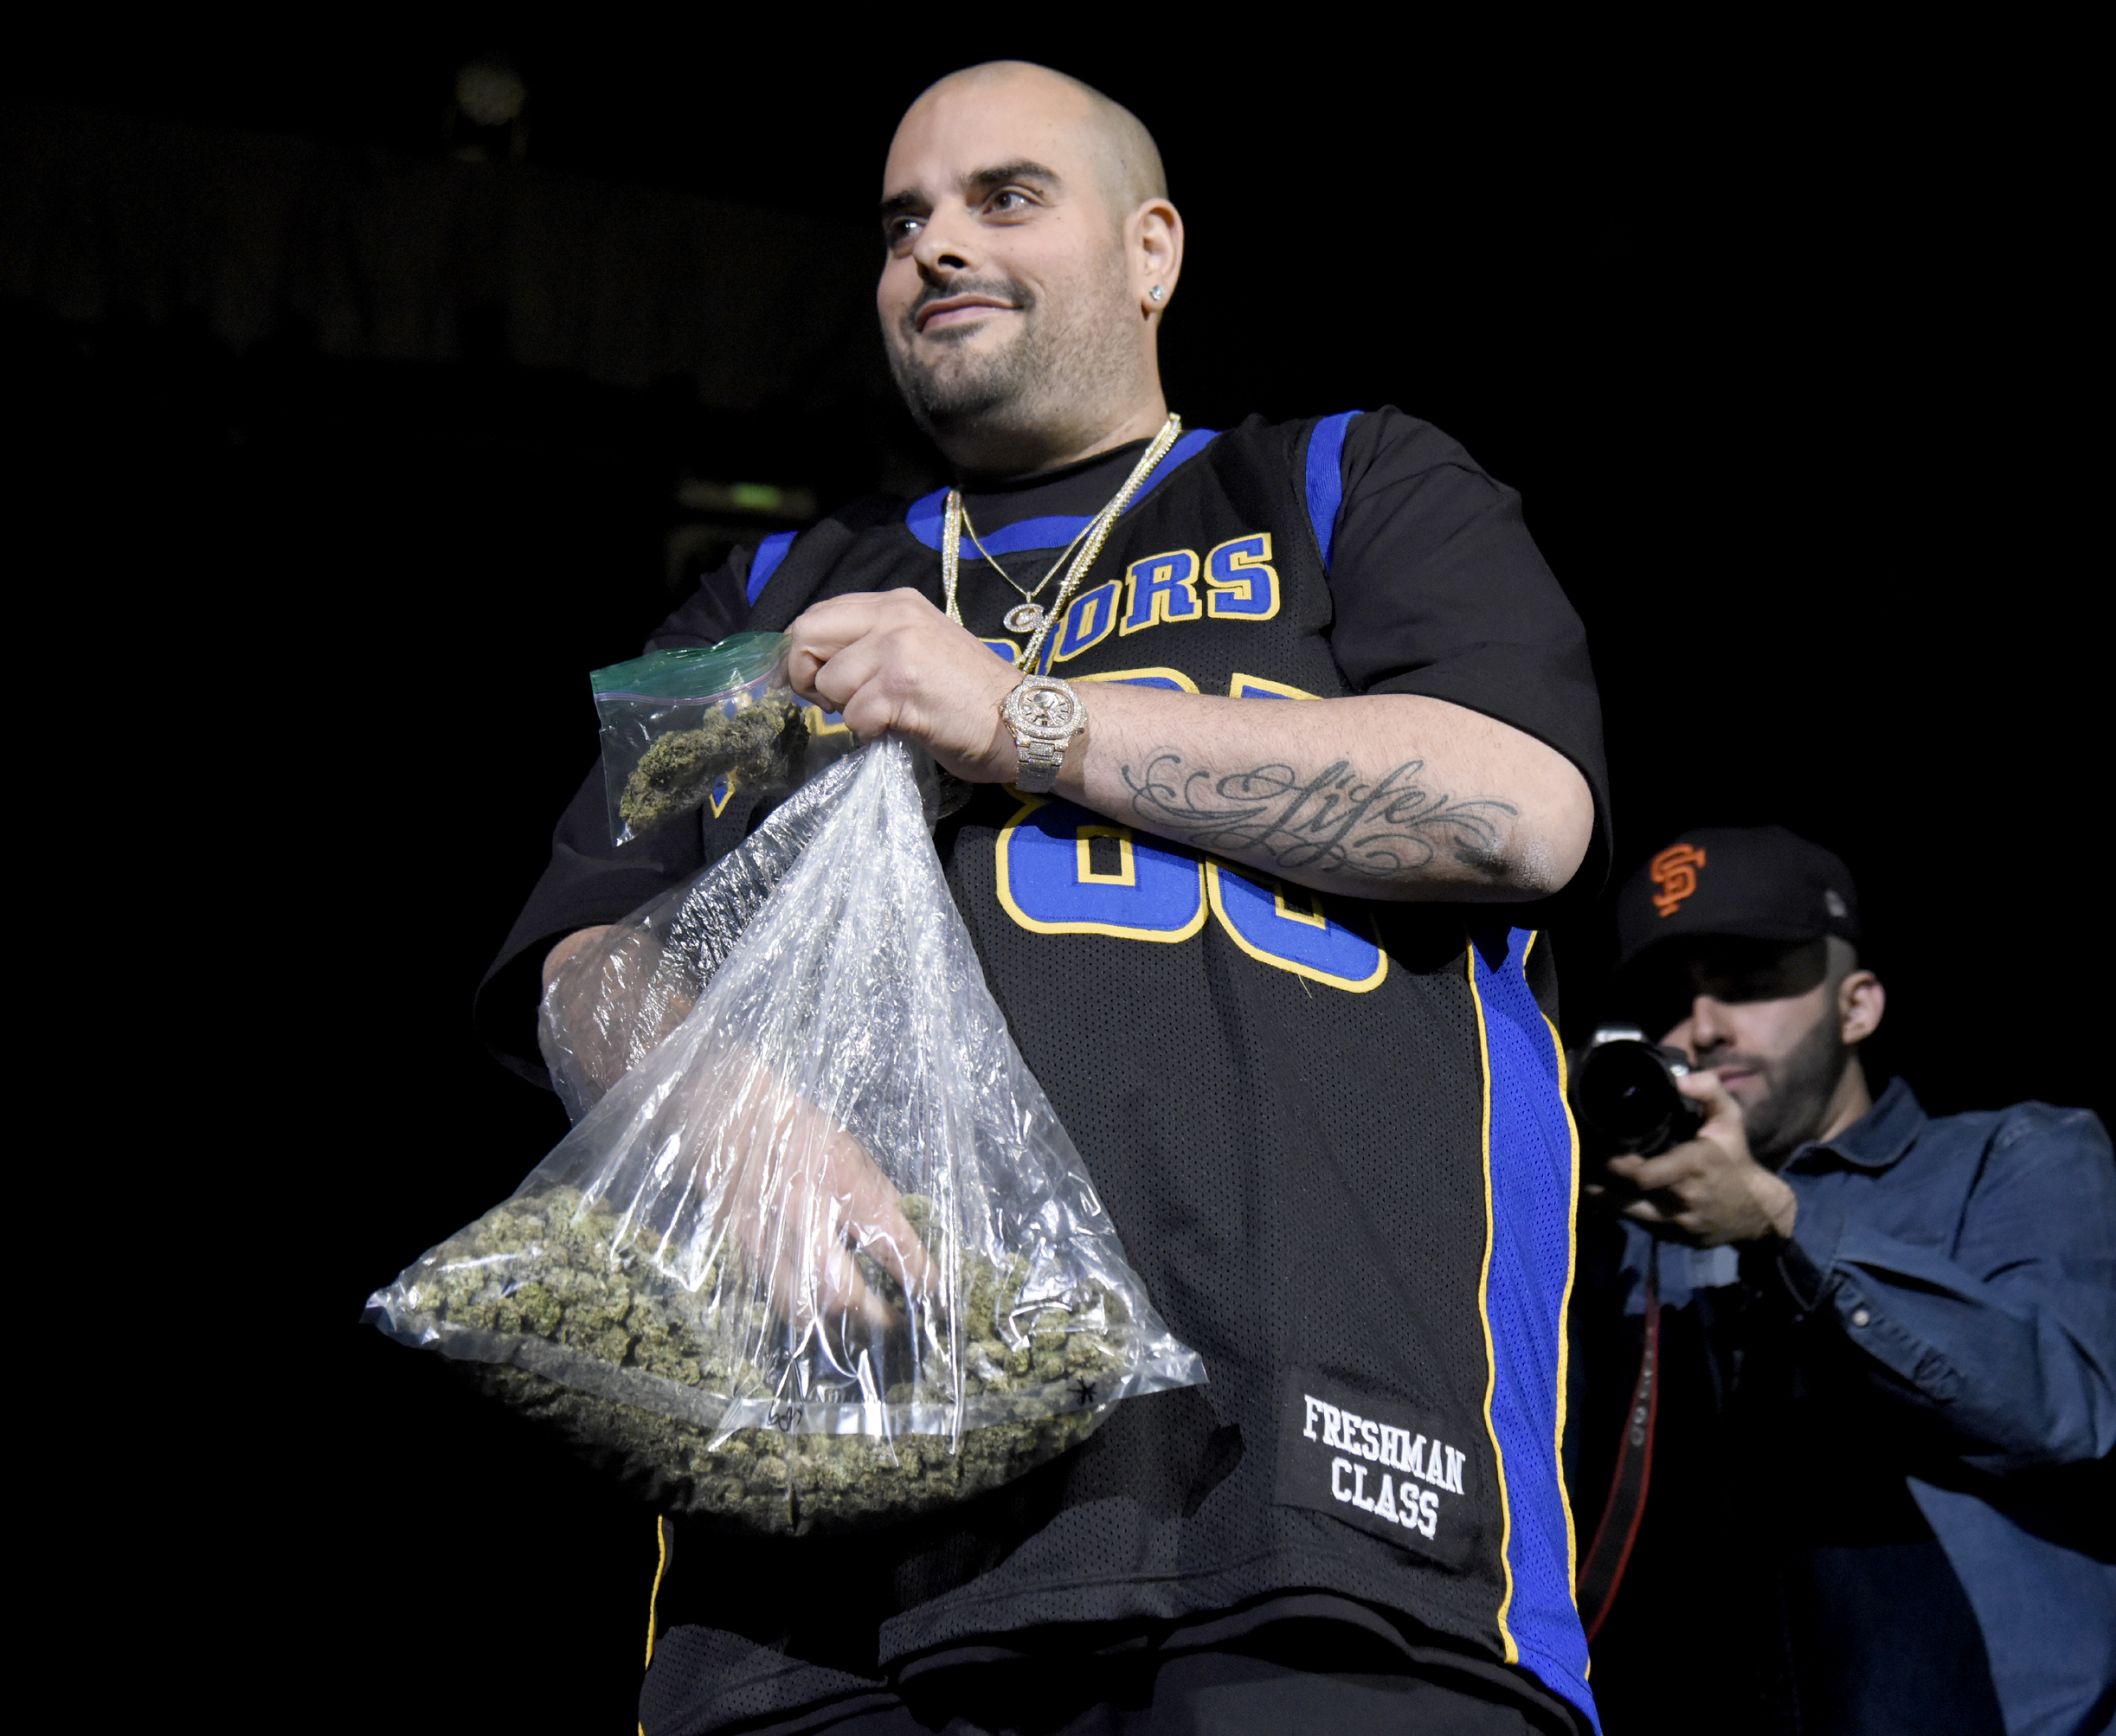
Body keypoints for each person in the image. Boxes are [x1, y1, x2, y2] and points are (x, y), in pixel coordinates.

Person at [473, 61, 1612, 1735]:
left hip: (1308, 1507)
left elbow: (1517, 812)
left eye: (1005, 198)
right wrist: (734, 1126)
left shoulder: (1340, 486)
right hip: (827, 1556)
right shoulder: (780, 584)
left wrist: (1022, 716)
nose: (935, 245)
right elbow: (583, 958)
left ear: (1152, 251)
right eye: (901, 222)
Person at [1569, 826, 2116, 1736]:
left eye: (1747, 980)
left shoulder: (2016, 1156)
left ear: (1858, 1005)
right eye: (1670, 997)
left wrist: (1781, 1226)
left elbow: (2064, 1402)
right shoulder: (1625, 1234)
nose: (1703, 1025)